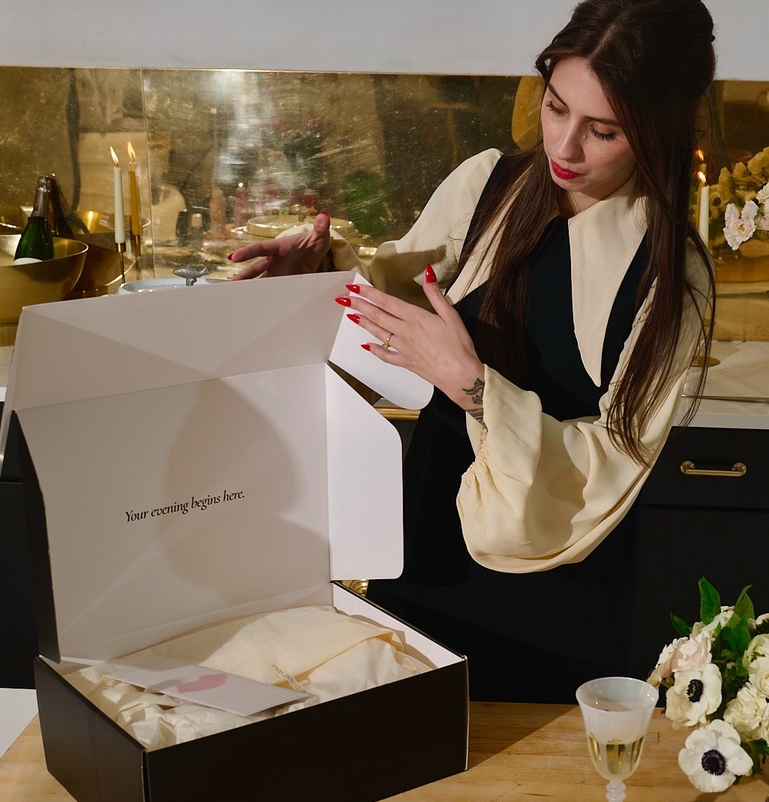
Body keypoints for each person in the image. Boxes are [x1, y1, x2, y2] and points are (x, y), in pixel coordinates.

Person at [228, 0, 717, 702]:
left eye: (603, 130)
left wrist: (473, 387)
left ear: (657, 129)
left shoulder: (672, 275)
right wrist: (314, 278)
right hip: (427, 546)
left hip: (556, 586)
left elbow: (612, 464)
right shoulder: (486, 186)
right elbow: (386, 304)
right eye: (556, 108)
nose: (565, 147)